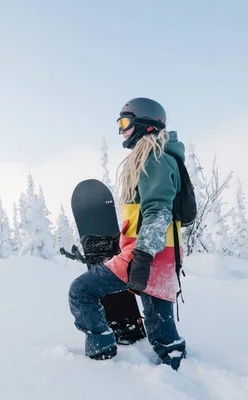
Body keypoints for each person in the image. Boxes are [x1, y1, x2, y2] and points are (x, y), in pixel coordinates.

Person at [68, 97, 187, 370]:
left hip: (144, 255)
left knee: (81, 291)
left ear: (145, 124)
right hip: (163, 257)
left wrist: (142, 257)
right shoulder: (164, 158)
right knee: (163, 335)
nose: (121, 130)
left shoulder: (154, 159)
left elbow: (158, 213)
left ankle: (102, 356)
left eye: (125, 122)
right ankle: (177, 370)